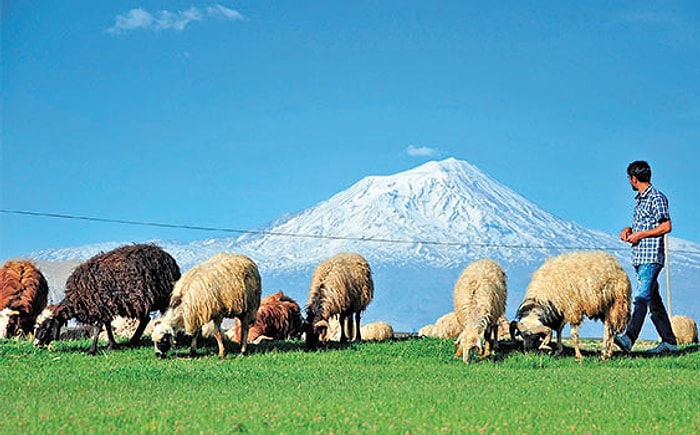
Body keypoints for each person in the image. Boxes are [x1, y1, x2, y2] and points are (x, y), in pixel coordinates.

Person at [614, 160, 677, 354]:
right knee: (653, 301)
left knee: (641, 297)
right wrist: (630, 230)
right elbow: (646, 225)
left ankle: (628, 338)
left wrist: (640, 235)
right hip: (640, 257)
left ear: (634, 178)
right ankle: (669, 343)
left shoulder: (656, 198)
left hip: (651, 257)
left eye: (629, 178)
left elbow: (666, 226)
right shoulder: (640, 200)